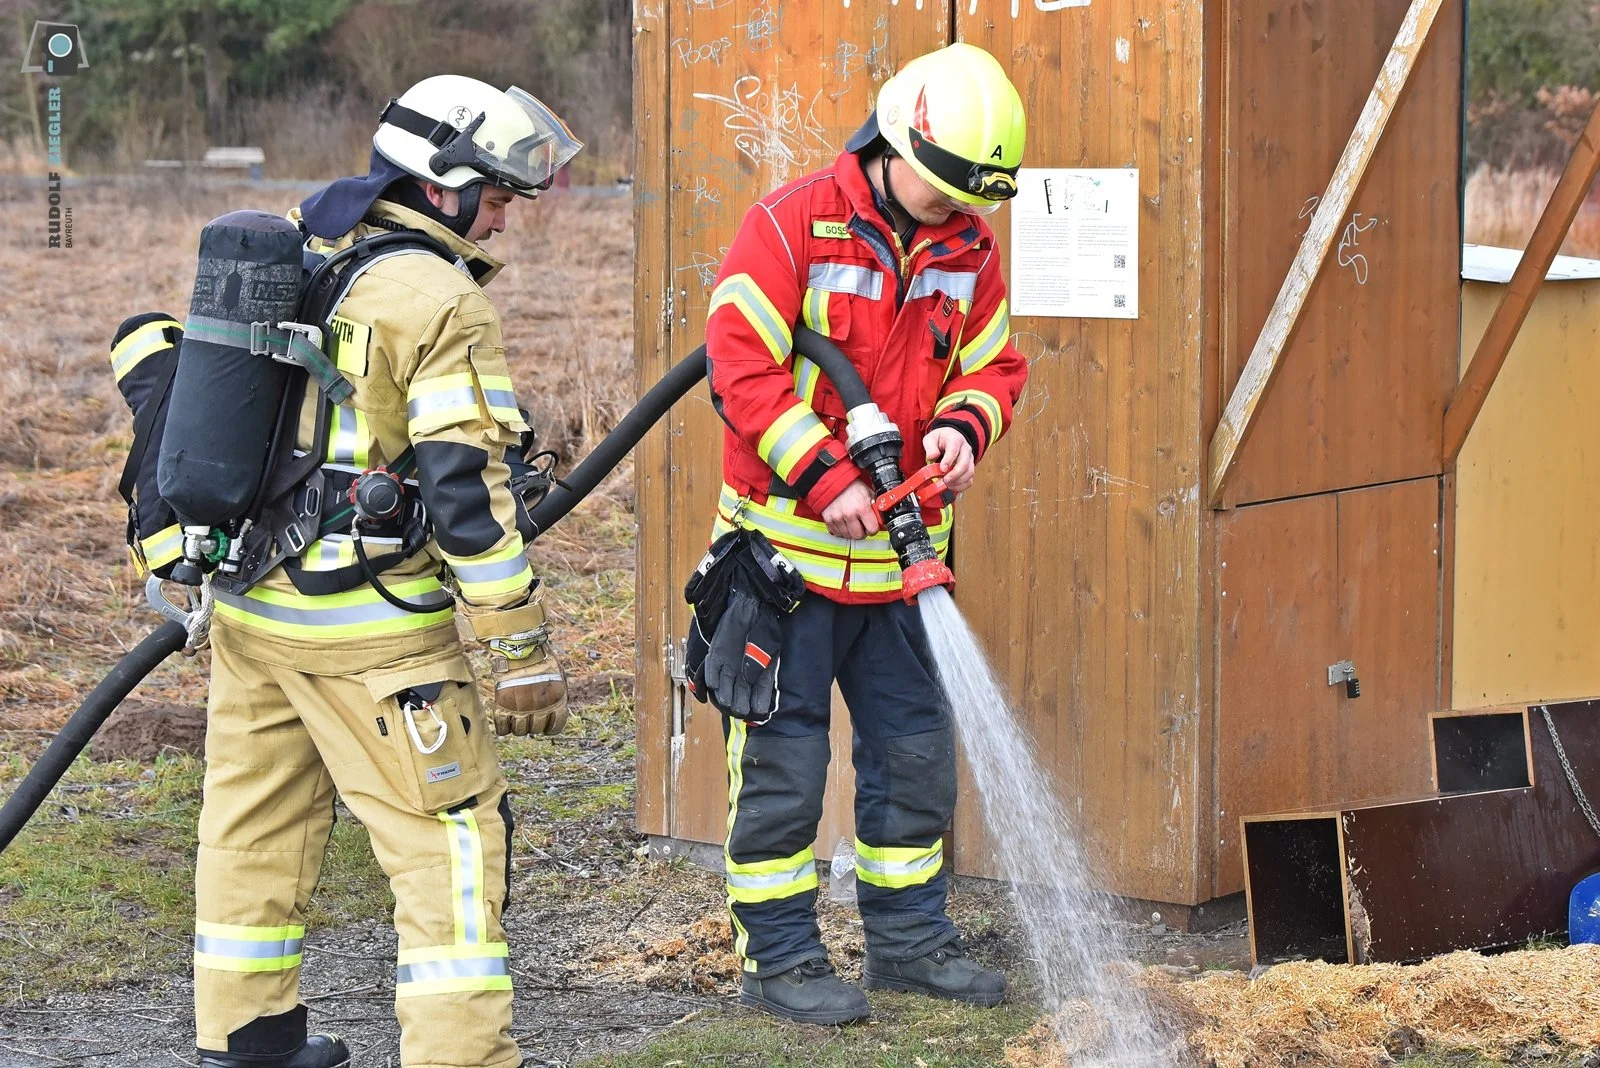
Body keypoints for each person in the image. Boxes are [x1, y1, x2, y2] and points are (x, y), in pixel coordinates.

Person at [190, 75, 581, 1068]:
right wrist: (517, 645)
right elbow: (465, 491)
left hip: (253, 614)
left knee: (250, 834)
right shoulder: (440, 298)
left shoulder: (301, 243)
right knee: (451, 847)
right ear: (441, 182)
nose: (505, 218)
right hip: (375, 638)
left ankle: (248, 1046)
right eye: (495, 196)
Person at [700, 43, 1030, 1025]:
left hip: (899, 568)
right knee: (783, 767)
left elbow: (994, 364)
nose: (953, 214)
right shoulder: (791, 225)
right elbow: (738, 366)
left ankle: (911, 945)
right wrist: (826, 475)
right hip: (786, 566)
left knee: (916, 754)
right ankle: (781, 960)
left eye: (968, 200)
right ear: (897, 145)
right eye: (941, 192)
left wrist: (964, 430)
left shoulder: (966, 248)